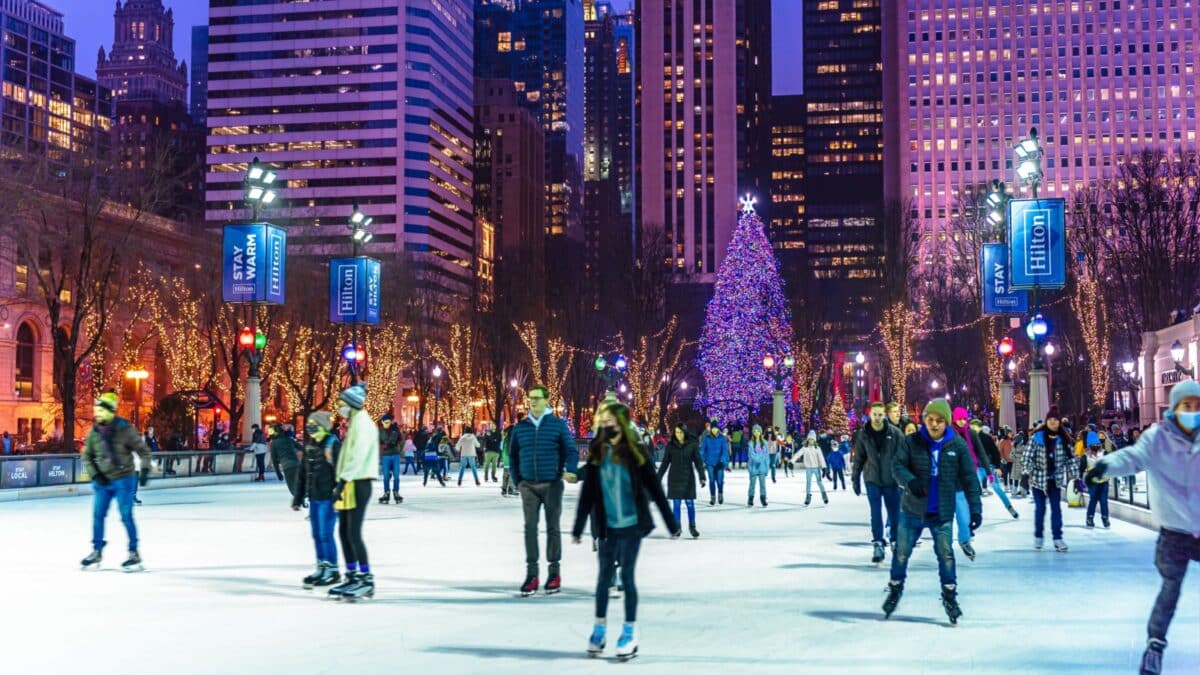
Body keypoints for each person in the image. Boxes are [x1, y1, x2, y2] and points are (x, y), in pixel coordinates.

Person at [1084, 379, 1200, 675]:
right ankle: (1155, 645)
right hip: (1174, 531)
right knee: (1170, 589)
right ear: (1175, 409)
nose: (1193, 412)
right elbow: (1132, 457)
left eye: (1198, 406)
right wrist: (1103, 467)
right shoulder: (1157, 439)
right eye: (1187, 406)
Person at [572, 402, 680, 661]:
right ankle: (599, 629)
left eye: (610, 421)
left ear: (621, 423)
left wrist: (671, 523)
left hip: (632, 525)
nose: (606, 426)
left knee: (627, 577)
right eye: (603, 422)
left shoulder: (635, 453)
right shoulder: (598, 453)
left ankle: (629, 631)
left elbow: (655, 488)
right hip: (607, 527)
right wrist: (578, 526)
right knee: (603, 578)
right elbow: (588, 494)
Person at [884, 398, 982, 624]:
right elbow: (897, 466)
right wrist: (910, 481)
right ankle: (895, 588)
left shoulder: (957, 445)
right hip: (912, 511)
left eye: (939, 420)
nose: (934, 424)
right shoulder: (912, 442)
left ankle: (950, 596)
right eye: (930, 420)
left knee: (946, 555)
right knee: (902, 553)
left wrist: (975, 510)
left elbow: (969, 479)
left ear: (946, 422)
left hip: (942, 512)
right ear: (924, 420)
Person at [509, 384, 579, 596]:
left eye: (537, 398)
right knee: (530, 527)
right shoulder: (521, 427)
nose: (533, 401)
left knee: (552, 528)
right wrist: (518, 480)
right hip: (528, 485)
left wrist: (570, 469)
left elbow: (571, 451)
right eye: (531, 398)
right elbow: (513, 455)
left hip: (551, 484)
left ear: (547, 400)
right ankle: (532, 574)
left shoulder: (557, 425)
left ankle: (554, 572)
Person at [80, 392, 151, 572]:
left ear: (111, 411)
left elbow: (143, 450)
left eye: (101, 411)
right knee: (97, 515)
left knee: (126, 515)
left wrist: (144, 469)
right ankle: (97, 550)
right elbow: (86, 456)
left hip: (123, 479)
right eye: (97, 411)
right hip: (103, 482)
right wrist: (95, 475)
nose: (98, 415)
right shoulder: (94, 432)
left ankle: (134, 552)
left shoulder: (124, 429)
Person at [326, 384, 379, 599]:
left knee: (353, 532)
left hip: (358, 482)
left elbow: (357, 455)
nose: (339, 408)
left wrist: (343, 481)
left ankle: (366, 579)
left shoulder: (363, 424)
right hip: (350, 482)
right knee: (344, 531)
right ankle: (352, 575)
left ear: (352, 404)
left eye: (342, 403)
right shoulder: (355, 422)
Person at [293, 411, 341, 589]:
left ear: (323, 426)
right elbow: (302, 473)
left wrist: (338, 495)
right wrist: (298, 498)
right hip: (314, 497)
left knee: (325, 534)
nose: (310, 428)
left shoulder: (333, 445)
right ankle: (322, 567)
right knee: (316, 535)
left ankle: (332, 570)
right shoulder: (310, 446)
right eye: (309, 425)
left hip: (329, 498)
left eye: (314, 425)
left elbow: (342, 473)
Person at [1021, 406, 1079, 552]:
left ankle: (1058, 538)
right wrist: (1025, 474)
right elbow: (1026, 457)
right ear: (1046, 421)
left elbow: (1071, 459)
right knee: (1040, 509)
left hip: (1055, 480)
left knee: (1056, 509)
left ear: (1059, 422)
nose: (1053, 422)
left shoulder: (1064, 439)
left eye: (1056, 420)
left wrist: (1076, 477)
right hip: (1039, 480)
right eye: (1050, 420)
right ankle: (1039, 536)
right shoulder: (1037, 438)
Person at [852, 402, 905, 564]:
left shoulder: (895, 433)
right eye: (874, 414)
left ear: (884, 415)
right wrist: (855, 479)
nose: (877, 417)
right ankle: (877, 543)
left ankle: (895, 540)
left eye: (880, 414)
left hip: (891, 480)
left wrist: (904, 478)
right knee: (875, 511)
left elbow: (903, 457)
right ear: (870, 414)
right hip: (872, 478)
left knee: (894, 512)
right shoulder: (863, 434)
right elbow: (859, 458)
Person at [657, 423, 705, 538]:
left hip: (688, 478)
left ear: (685, 432)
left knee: (690, 503)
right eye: (677, 433)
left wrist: (702, 477)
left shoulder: (692, 445)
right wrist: (657, 478)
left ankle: (692, 527)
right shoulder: (670, 446)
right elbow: (664, 464)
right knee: (676, 504)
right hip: (674, 478)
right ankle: (677, 528)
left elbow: (698, 462)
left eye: (681, 432)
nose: (679, 435)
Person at [970, 419, 1018, 520]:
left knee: (996, 487)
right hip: (977, 468)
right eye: (972, 427)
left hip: (989, 468)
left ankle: (1009, 506)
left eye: (975, 427)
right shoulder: (970, 438)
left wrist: (997, 467)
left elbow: (995, 452)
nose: (973, 429)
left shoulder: (986, 438)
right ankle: (974, 512)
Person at [699, 421, 729, 505]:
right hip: (710, 463)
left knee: (719, 481)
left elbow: (725, 451)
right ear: (711, 429)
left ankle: (720, 494)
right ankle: (712, 497)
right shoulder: (706, 438)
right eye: (713, 428)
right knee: (711, 480)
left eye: (716, 428)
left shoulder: (722, 438)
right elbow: (702, 450)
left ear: (718, 429)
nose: (714, 430)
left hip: (719, 463)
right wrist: (703, 460)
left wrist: (722, 461)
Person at [1083, 443, 1110, 528]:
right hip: (1092, 482)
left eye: (1097, 443)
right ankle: (1089, 518)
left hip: (1104, 481)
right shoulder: (1085, 456)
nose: (1096, 445)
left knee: (1103, 501)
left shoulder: (1104, 453)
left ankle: (1105, 518)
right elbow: (1081, 469)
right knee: (1093, 500)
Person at [269, 423, 300, 497]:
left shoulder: (274, 443)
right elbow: (301, 448)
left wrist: (278, 473)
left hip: (287, 467)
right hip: (297, 465)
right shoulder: (289, 440)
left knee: (292, 486)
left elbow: (274, 460)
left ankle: (299, 499)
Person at [798, 431, 828, 506]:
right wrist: (791, 462)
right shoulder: (805, 448)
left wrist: (824, 468)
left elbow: (821, 458)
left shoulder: (817, 448)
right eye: (810, 439)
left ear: (814, 440)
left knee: (819, 482)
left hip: (816, 468)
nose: (811, 440)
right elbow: (798, 454)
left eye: (812, 439)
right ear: (808, 439)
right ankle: (808, 496)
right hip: (808, 468)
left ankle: (824, 495)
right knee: (808, 482)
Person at [378, 414, 402, 504]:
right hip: (386, 456)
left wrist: (397, 446)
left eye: (389, 421)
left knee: (396, 476)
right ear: (382, 422)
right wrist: (383, 445)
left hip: (395, 454)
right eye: (385, 422)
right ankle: (386, 492)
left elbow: (400, 439)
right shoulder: (380, 431)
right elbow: (378, 441)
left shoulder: (395, 429)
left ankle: (396, 492)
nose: (387, 423)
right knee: (386, 476)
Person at [746, 424, 771, 507]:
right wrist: (760, 458)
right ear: (753, 433)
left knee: (763, 485)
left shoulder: (765, 443)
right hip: (753, 467)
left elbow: (767, 456)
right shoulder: (751, 444)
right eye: (755, 431)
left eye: (758, 431)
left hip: (762, 468)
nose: (756, 433)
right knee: (752, 484)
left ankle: (763, 498)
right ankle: (750, 498)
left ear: (760, 432)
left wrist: (767, 468)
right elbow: (752, 455)